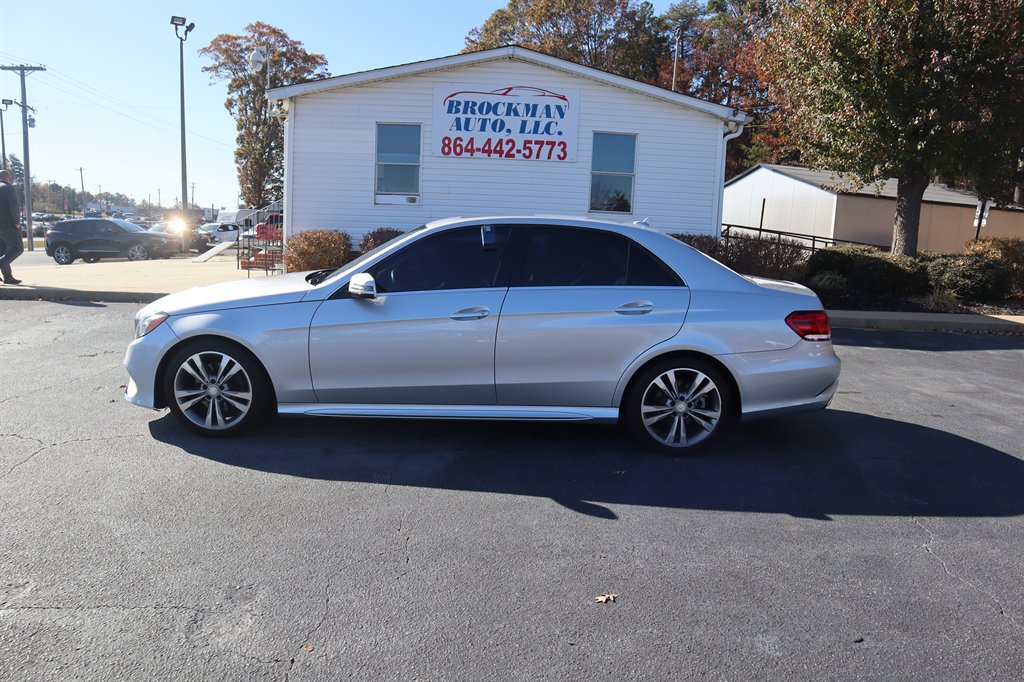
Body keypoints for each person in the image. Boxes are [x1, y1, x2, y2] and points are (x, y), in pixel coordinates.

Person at [0, 169, 23, 285]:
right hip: (7, 224)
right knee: (18, 248)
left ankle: (8, 277)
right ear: (8, 179)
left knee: (3, 250)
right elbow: (14, 207)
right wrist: (17, 222)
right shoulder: (8, 188)